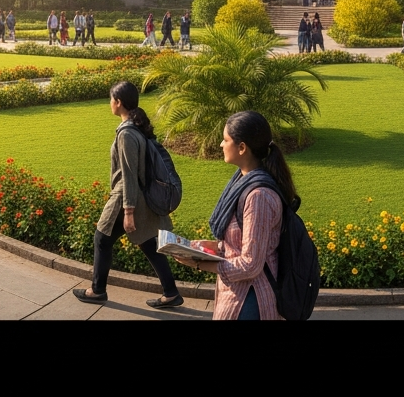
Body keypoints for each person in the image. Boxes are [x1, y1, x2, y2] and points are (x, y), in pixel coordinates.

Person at [171, 111, 295, 319]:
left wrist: (201, 263)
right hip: (237, 294)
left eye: (226, 139)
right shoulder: (242, 181)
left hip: (250, 299)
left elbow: (251, 264)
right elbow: (242, 241)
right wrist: (210, 247)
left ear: (242, 147)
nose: (221, 144)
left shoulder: (258, 197)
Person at [73, 81, 183, 309]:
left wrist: (128, 211)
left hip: (126, 197)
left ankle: (97, 290)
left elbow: (130, 176)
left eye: (110, 99)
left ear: (118, 102)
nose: (109, 103)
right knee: (147, 243)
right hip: (140, 197)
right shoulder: (136, 128)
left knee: (102, 238)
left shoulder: (127, 134)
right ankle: (171, 293)